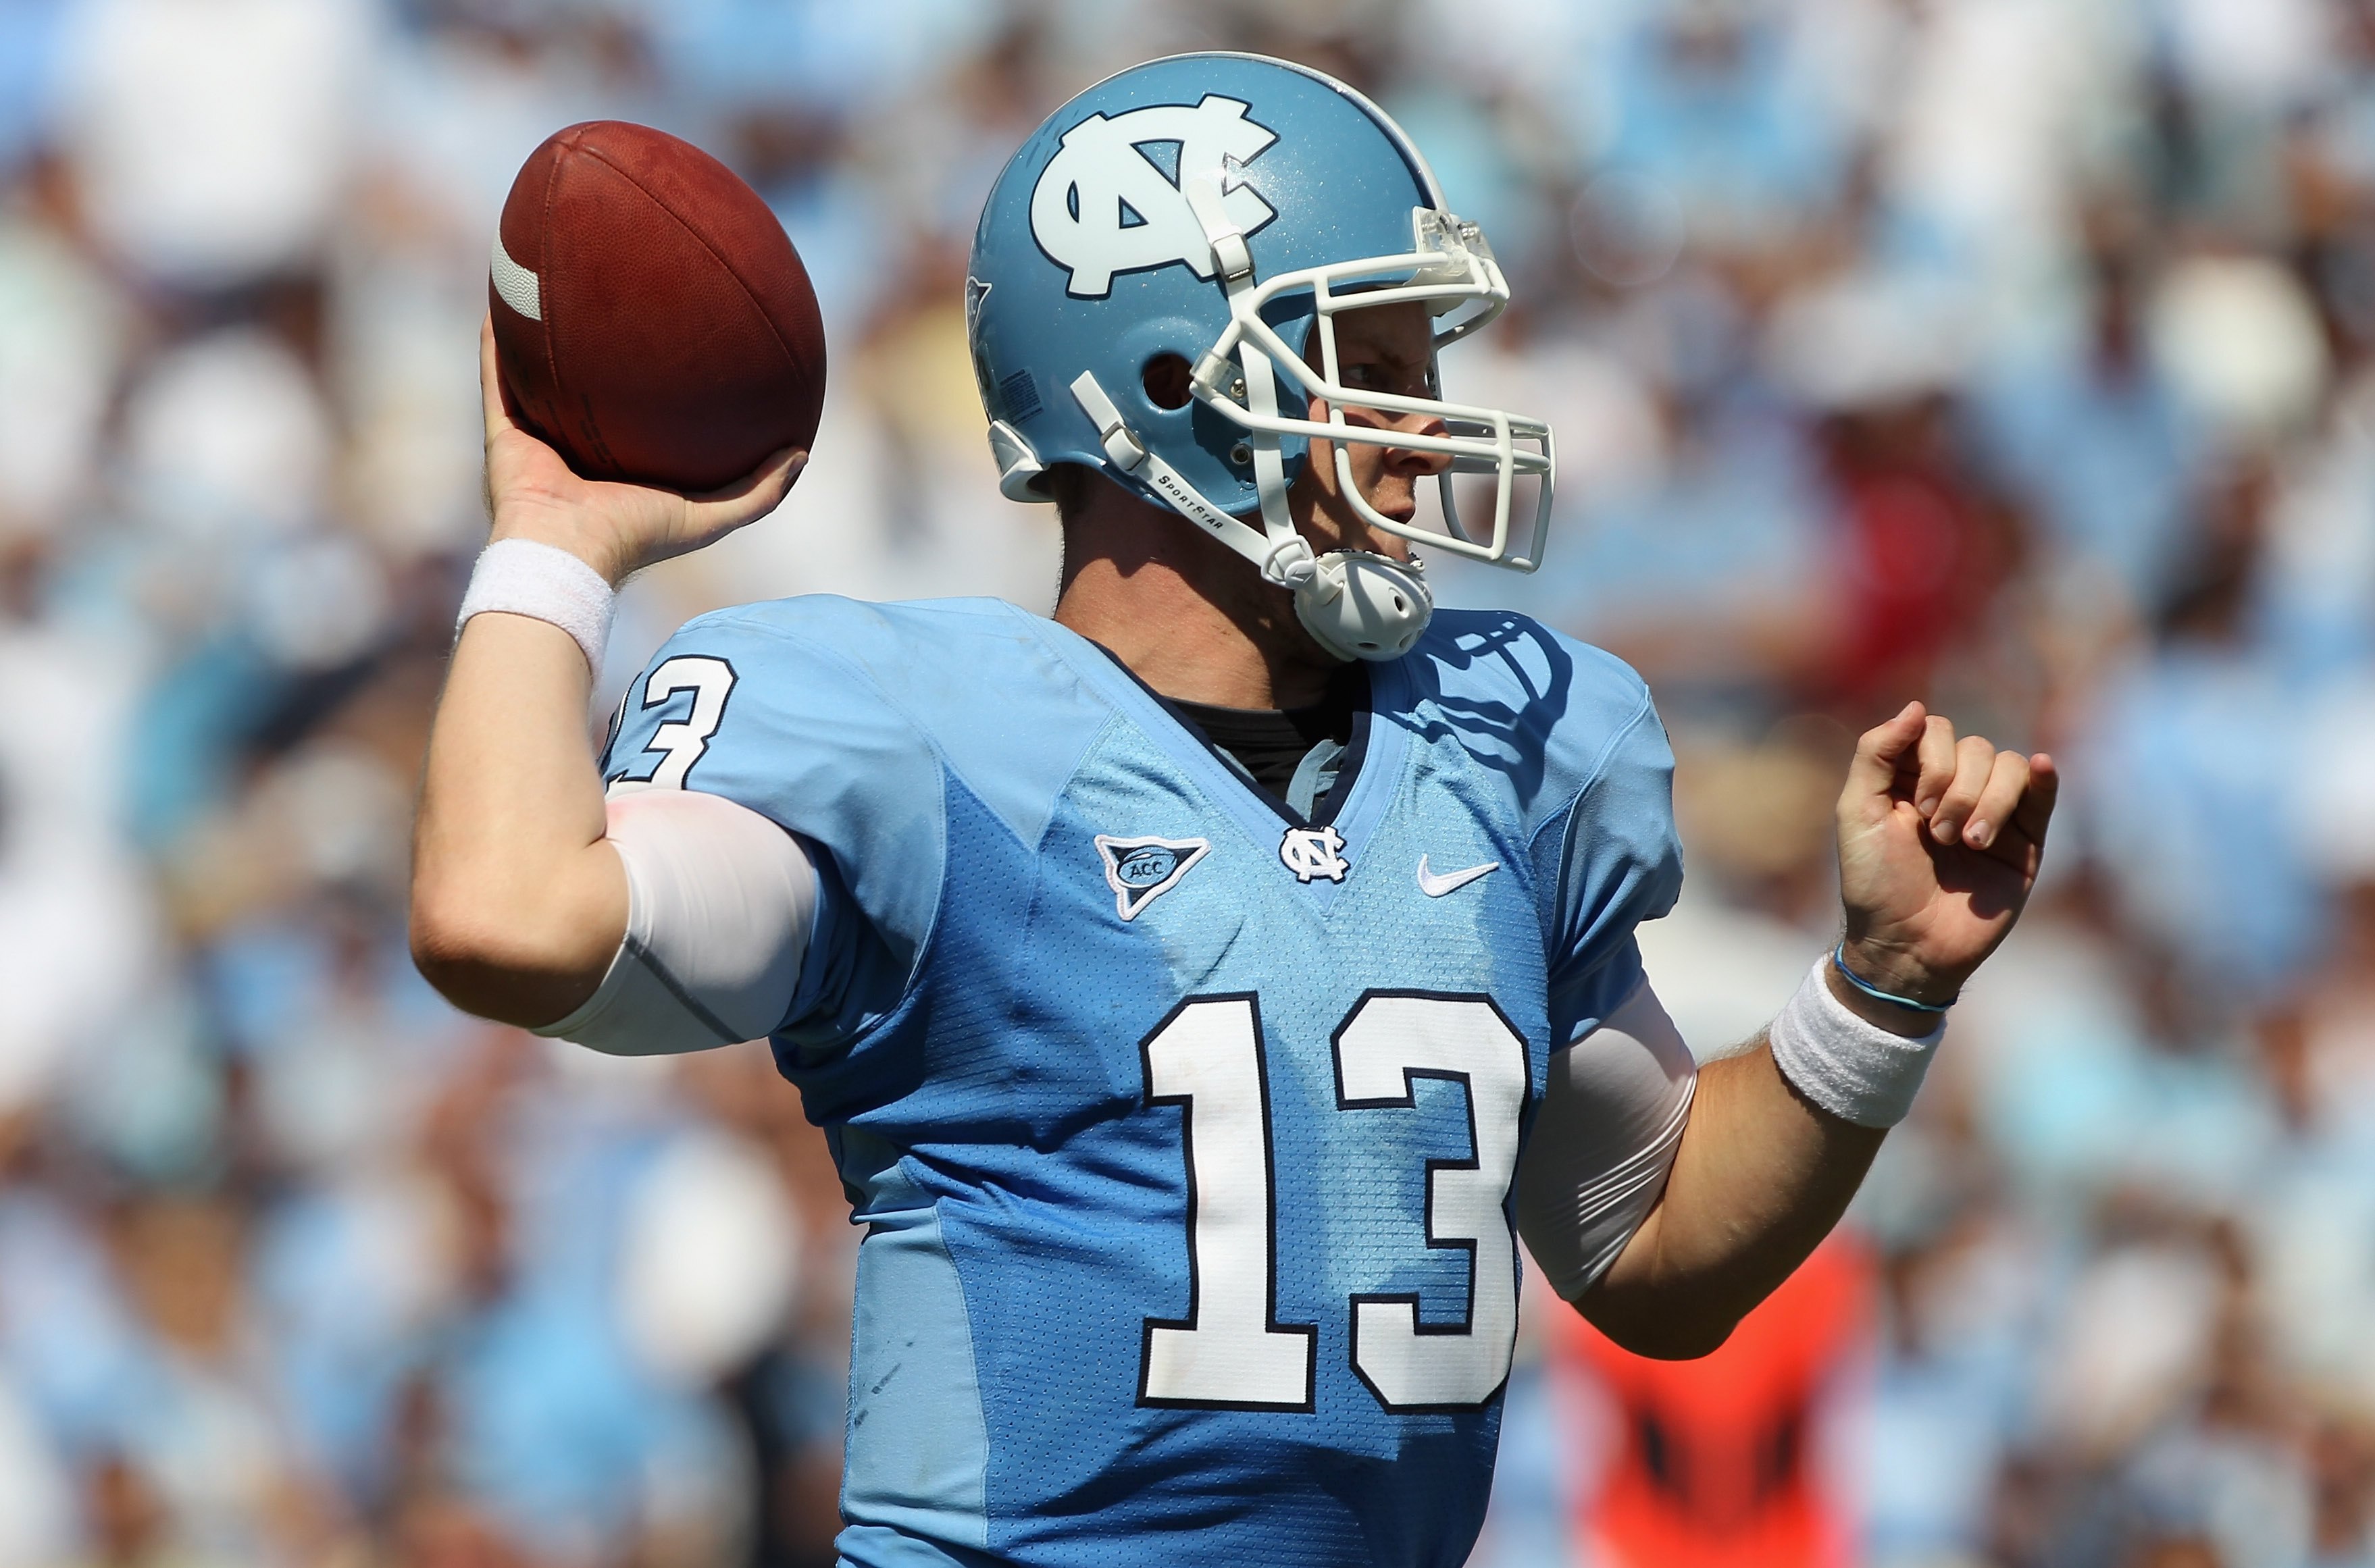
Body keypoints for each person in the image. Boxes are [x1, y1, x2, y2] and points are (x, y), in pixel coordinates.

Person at [409, 53, 2056, 1568]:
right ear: (1167, 381)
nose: (1422, 441)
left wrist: (1882, 989)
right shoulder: (932, 746)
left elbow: (1653, 1252)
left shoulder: (1502, 753)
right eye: (1371, 374)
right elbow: (508, 920)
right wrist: (554, 540)